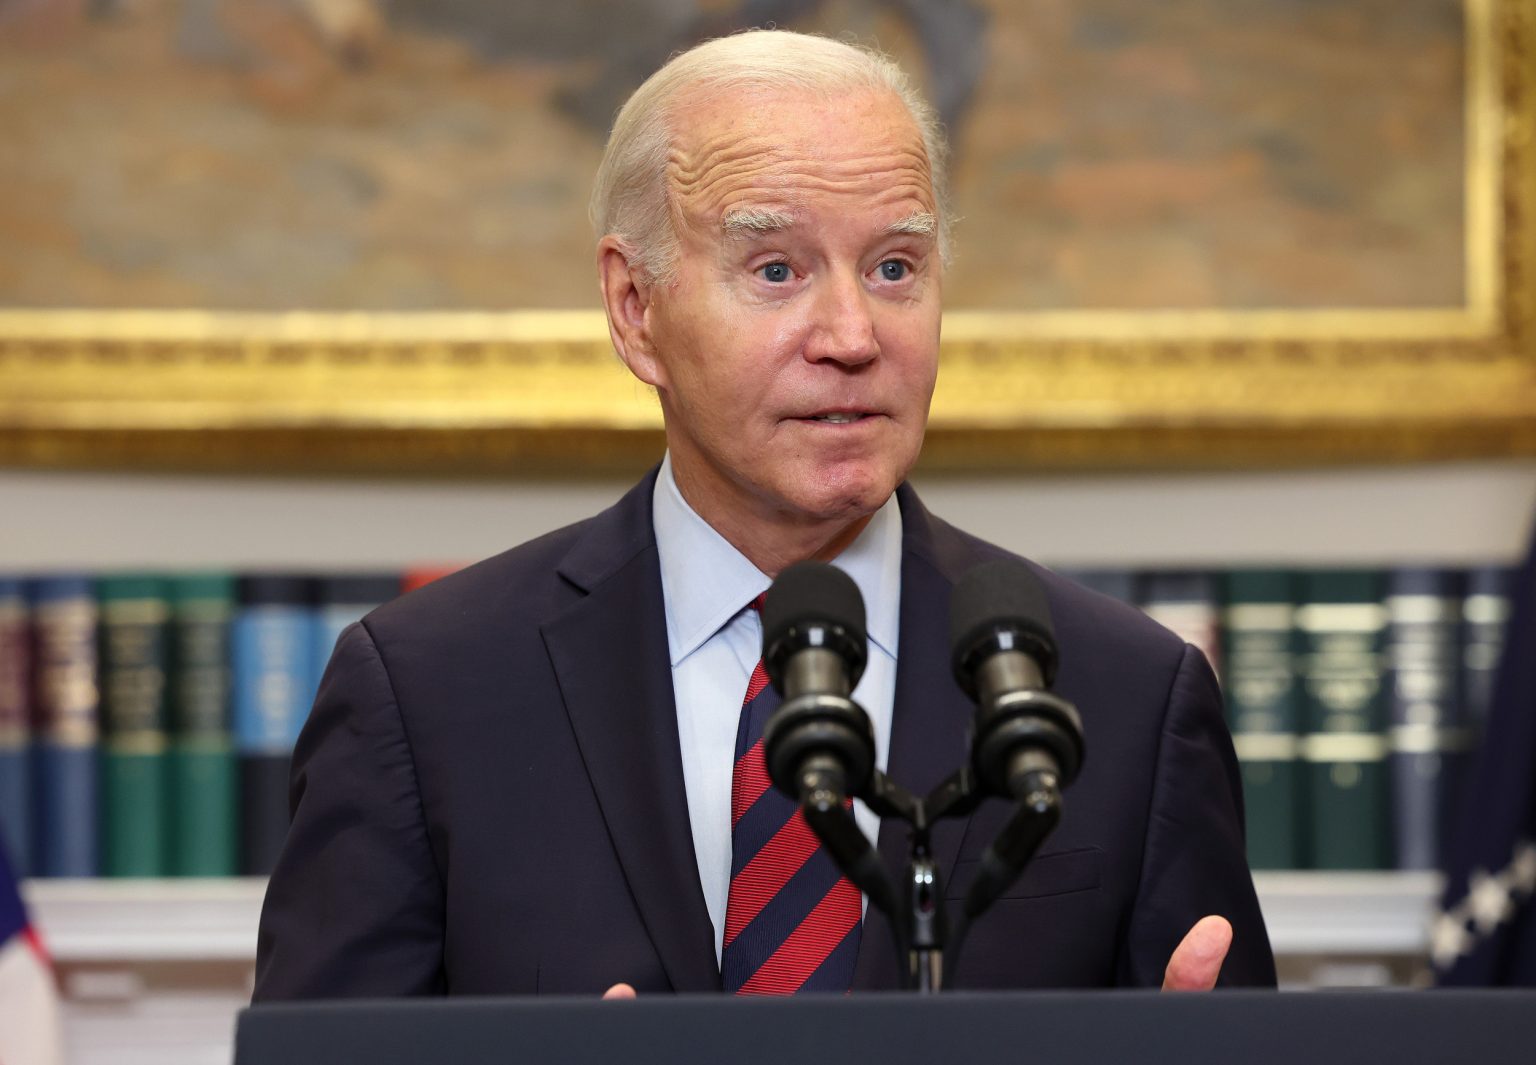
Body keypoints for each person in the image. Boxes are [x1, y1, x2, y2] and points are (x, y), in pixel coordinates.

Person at [253, 29, 1275, 999]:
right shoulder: (426, 695)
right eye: (777, 270)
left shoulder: (1129, 695)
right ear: (635, 308)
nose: (850, 334)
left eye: (894, 268)